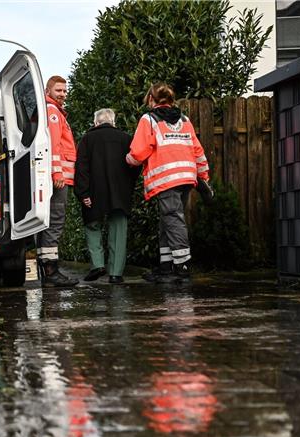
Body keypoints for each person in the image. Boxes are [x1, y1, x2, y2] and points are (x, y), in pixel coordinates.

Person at [126, 83, 211, 283]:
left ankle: (182, 266)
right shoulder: (185, 120)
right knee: (168, 219)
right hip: (186, 177)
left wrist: (128, 160)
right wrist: (204, 176)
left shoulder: (149, 119)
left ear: (150, 99)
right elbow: (197, 150)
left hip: (166, 178)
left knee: (172, 218)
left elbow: (138, 153)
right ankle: (166, 266)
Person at [74, 108, 139, 284]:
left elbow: (81, 168)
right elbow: (136, 164)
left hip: (94, 191)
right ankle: (116, 273)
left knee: (92, 225)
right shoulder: (126, 138)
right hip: (120, 192)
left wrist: (83, 193)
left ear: (96, 123)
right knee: (118, 229)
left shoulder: (87, 139)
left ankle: (97, 265)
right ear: (113, 122)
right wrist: (128, 187)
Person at [36, 75, 78, 287]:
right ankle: (51, 271)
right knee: (55, 221)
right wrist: (57, 174)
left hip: (59, 177)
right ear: (48, 90)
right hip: (59, 179)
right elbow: (53, 146)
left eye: (64, 91)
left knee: (51, 222)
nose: (62, 94)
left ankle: (48, 268)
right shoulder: (53, 112)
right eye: (58, 90)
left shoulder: (55, 111)